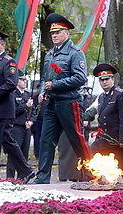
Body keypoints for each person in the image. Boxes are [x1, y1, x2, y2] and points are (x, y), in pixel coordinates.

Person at [33, 13, 92, 184]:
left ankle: (91, 174)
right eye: (52, 33)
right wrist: (44, 90)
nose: (54, 36)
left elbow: (81, 78)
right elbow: (45, 78)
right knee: (46, 140)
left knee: (77, 139)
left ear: (67, 33)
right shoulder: (50, 54)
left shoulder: (75, 53)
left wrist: (55, 85)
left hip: (70, 102)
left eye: (58, 32)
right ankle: (42, 177)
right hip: (52, 103)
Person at [0, 25, 34, 182]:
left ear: (1, 44)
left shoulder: (8, 62)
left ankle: (26, 171)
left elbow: (11, 83)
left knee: (7, 141)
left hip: (3, 108)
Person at [85, 63, 123, 182]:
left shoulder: (121, 94)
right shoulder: (102, 97)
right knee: (91, 156)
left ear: (112, 79)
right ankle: (91, 182)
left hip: (116, 139)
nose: (104, 82)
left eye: (107, 79)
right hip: (104, 139)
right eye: (101, 80)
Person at [7, 71, 36, 178]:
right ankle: (10, 177)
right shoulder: (13, 94)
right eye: (22, 80)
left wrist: (31, 121)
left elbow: (33, 112)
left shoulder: (28, 94)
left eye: (25, 80)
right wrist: (25, 106)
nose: (24, 82)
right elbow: (12, 111)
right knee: (14, 154)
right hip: (16, 127)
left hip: (26, 128)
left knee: (24, 154)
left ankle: (22, 177)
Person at [31, 83, 47, 160]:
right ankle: (37, 153)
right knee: (37, 138)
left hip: (44, 120)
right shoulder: (34, 97)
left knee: (44, 138)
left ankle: (43, 153)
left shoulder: (47, 97)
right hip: (37, 121)